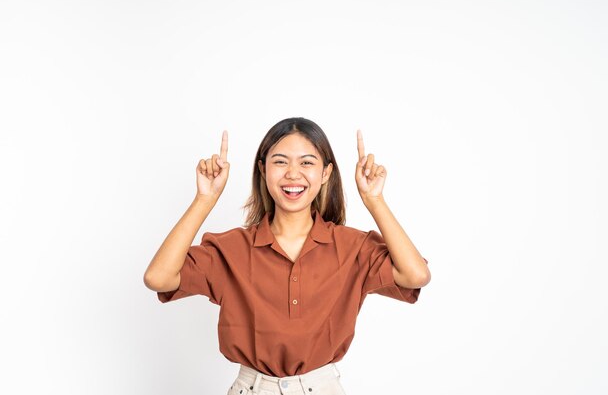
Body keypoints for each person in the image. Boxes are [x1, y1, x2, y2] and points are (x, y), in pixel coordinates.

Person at [143, 117, 431, 395]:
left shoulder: (352, 246)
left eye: (307, 162)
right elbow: (159, 277)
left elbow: (415, 275)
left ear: (326, 173)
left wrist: (374, 200)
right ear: (263, 170)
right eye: (280, 162)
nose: (293, 173)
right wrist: (204, 199)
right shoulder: (231, 249)